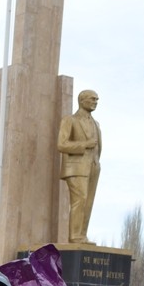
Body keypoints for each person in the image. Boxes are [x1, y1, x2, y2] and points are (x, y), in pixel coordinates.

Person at [57, 89, 101, 244]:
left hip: (93, 167)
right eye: (92, 99)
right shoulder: (70, 120)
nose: (95, 102)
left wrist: (96, 162)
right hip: (76, 168)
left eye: (97, 99)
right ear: (82, 101)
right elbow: (62, 144)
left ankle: (82, 235)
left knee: (88, 202)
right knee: (80, 200)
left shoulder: (96, 124)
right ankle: (75, 236)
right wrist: (85, 144)